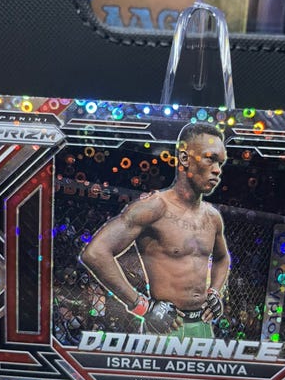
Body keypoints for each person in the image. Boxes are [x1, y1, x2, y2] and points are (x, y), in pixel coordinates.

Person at [80, 122, 230, 338]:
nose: (217, 170)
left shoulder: (212, 217)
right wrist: (142, 306)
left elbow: (222, 258)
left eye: (220, 163)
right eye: (210, 158)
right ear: (185, 158)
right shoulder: (155, 207)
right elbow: (95, 253)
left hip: (203, 327)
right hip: (166, 329)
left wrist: (215, 291)